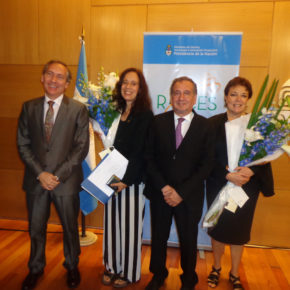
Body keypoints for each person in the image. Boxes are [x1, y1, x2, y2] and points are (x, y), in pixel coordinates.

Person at [17, 60, 89, 290]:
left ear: (67, 84)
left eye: (60, 77)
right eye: (50, 74)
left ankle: (72, 265)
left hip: (65, 182)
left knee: (69, 227)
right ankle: (35, 268)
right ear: (42, 77)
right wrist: (41, 174)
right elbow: (23, 144)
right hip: (36, 181)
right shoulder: (29, 107)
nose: (53, 80)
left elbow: (81, 148)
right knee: (36, 228)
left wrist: (55, 175)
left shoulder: (78, 110)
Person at [144, 76, 213, 290]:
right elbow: (149, 158)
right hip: (160, 193)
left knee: (188, 239)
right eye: (176, 92)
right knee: (158, 236)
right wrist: (165, 188)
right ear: (171, 96)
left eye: (186, 93)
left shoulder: (206, 126)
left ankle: (189, 277)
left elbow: (207, 165)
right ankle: (157, 274)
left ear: (195, 98)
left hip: (189, 196)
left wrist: (181, 192)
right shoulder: (157, 122)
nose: (181, 97)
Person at [206, 77, 275, 290]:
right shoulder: (212, 124)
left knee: (239, 231)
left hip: (246, 186)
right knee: (218, 227)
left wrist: (251, 170)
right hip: (219, 183)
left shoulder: (257, 126)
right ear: (225, 97)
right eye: (233, 94)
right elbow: (205, 158)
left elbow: (264, 158)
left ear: (248, 100)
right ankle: (216, 268)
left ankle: (234, 273)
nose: (238, 99)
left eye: (243, 95)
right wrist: (227, 175)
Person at [101, 68, 153, 288]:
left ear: (140, 89)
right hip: (111, 177)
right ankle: (112, 266)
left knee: (130, 228)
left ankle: (130, 272)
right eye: (125, 83)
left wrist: (127, 180)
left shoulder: (145, 116)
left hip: (131, 181)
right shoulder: (113, 112)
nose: (128, 87)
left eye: (133, 83)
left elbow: (142, 152)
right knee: (111, 225)